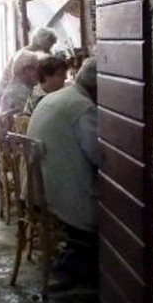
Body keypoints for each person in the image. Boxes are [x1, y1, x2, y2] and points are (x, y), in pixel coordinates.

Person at [26, 56, 98, 291]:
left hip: (40, 186)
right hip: (62, 194)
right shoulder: (83, 107)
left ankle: (75, 256)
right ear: (97, 86)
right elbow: (98, 154)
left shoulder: (54, 98)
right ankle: (89, 264)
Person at [0, 27, 57, 98]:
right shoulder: (28, 56)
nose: (49, 51)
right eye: (48, 47)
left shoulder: (33, 53)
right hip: (16, 94)